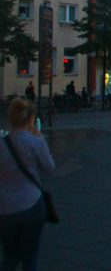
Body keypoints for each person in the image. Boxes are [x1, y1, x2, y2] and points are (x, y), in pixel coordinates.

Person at [0, 98, 56, 271]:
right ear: (31, 119)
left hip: (4, 206)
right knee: (30, 257)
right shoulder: (35, 142)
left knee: (9, 256)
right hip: (31, 202)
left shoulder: (2, 143)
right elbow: (49, 169)